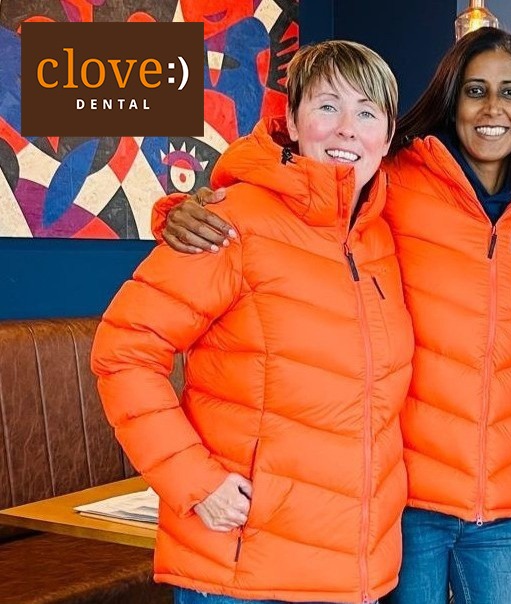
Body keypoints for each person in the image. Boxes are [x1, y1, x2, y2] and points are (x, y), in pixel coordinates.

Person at [151, 28, 511, 604]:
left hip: (493, 503)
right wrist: (180, 211)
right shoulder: (396, 185)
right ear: (451, 100)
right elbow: (295, 185)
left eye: (510, 92)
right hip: (404, 499)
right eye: (475, 90)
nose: (493, 108)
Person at [91, 40, 413, 604]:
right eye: (327, 105)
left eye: (367, 112)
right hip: (243, 572)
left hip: (353, 573)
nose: (346, 128)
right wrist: (197, 482)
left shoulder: (380, 239)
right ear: (293, 119)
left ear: (386, 137)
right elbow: (124, 353)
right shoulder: (233, 220)